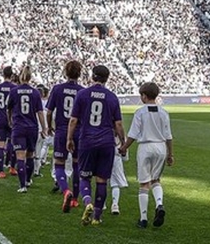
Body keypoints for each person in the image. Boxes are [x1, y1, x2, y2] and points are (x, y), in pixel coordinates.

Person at [67, 65, 125, 227]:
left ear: (92, 77)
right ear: (107, 78)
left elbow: (73, 120)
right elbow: (118, 124)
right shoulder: (112, 97)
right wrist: (123, 142)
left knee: (84, 176)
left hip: (87, 141)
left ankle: (87, 203)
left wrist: (69, 139)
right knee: (102, 180)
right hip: (107, 142)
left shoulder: (83, 94)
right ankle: (97, 217)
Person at [119, 82, 174, 229]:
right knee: (156, 180)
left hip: (145, 147)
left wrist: (124, 147)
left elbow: (132, 134)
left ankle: (143, 219)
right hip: (160, 147)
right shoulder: (164, 112)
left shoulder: (140, 112)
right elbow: (169, 136)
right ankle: (159, 204)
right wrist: (170, 154)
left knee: (144, 184)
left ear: (144, 96)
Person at [47, 60, 85, 212]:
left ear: (65, 72)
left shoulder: (57, 89)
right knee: (77, 164)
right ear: (79, 73)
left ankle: (65, 190)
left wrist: (49, 126)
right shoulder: (83, 91)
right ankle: (75, 199)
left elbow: (49, 111)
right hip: (78, 131)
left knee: (59, 163)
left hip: (62, 130)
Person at [6, 66, 46, 193]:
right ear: (30, 77)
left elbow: (9, 109)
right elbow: (40, 112)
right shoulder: (35, 92)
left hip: (19, 127)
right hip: (32, 127)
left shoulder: (14, 91)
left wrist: (10, 120)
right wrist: (44, 127)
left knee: (20, 156)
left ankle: (22, 185)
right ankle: (28, 180)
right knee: (30, 155)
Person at [0, 66, 17, 179]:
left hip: (0, 118)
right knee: (13, 143)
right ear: (12, 75)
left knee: (0, 145)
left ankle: (1, 171)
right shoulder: (15, 88)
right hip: (12, 119)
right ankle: (12, 167)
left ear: (3, 74)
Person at [33, 86, 53, 177]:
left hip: (31, 129)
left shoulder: (33, 103)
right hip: (39, 129)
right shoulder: (41, 105)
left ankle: (33, 168)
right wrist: (44, 129)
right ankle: (36, 170)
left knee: (33, 150)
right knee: (38, 149)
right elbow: (42, 116)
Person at [110, 135, 129, 216]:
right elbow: (125, 158)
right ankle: (115, 204)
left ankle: (101, 203)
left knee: (101, 181)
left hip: (103, 158)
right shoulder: (122, 137)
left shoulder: (102, 131)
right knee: (115, 183)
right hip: (116, 160)